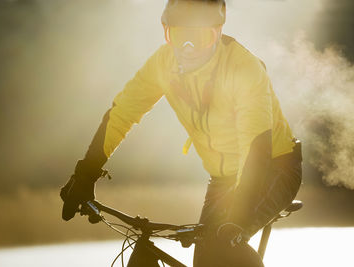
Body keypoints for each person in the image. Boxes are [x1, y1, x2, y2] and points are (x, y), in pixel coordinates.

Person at [60, 0, 302, 266]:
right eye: (178, 36)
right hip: (223, 177)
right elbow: (121, 114)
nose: (188, 49)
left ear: (218, 33)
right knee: (205, 261)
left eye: (199, 37)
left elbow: (255, 149)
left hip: (272, 168)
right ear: (167, 33)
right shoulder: (162, 64)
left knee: (226, 247)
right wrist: (85, 174)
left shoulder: (243, 68)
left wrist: (237, 219)